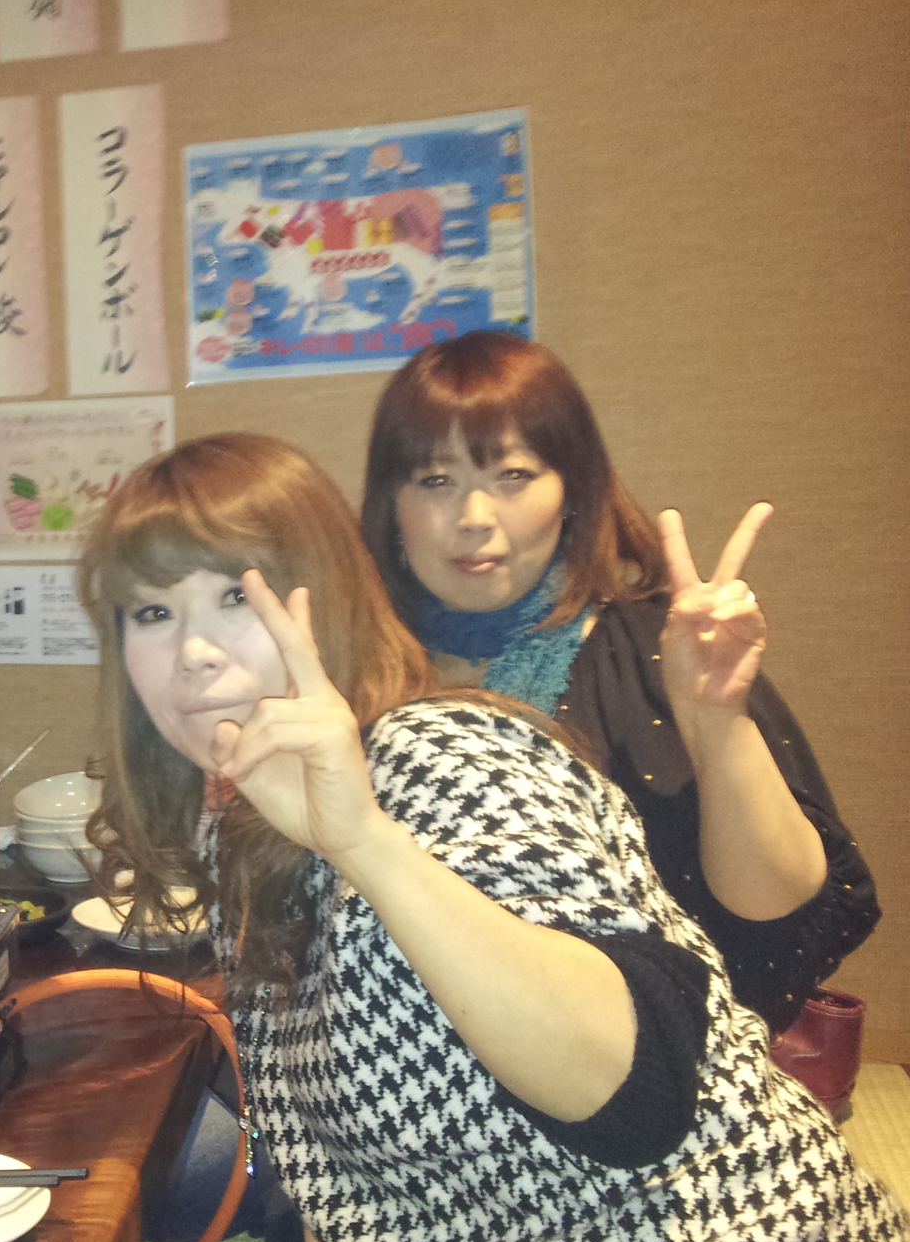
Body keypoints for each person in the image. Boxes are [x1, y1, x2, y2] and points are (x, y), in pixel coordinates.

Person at [86, 436, 910, 1242]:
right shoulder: (242, 830)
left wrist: (365, 844)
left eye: (233, 599)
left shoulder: (445, 754)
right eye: (151, 614)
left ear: (324, 599)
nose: (193, 653)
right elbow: (337, 1177)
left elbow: (640, 1090)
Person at [359, 332, 876, 1032]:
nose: (474, 518)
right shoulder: (356, 668)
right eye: (435, 480)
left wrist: (715, 717)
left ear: (572, 491)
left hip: (629, 1064)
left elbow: (777, 913)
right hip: (393, 1061)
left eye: (512, 476)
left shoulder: (654, 651)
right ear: (392, 504)